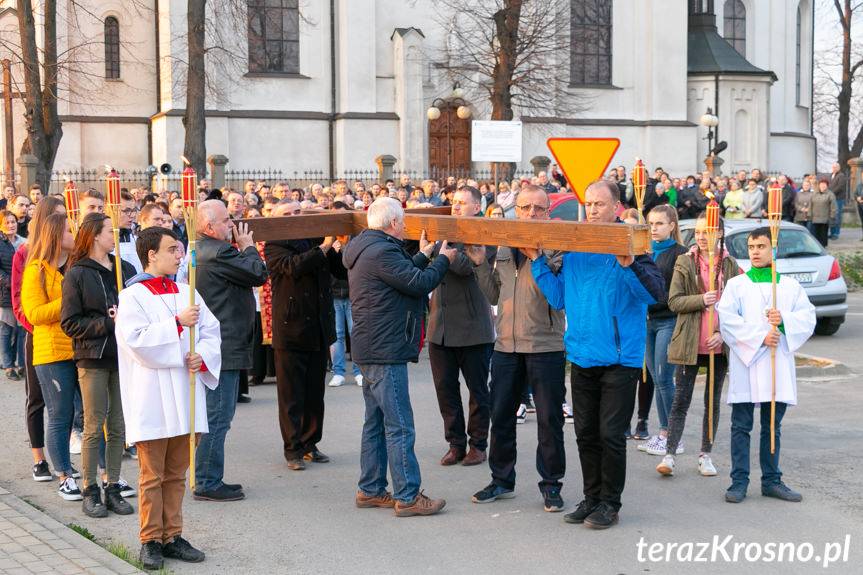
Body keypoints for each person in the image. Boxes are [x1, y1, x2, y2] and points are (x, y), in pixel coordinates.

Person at [532, 179, 664, 529]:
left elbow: (654, 294)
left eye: (599, 204)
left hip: (621, 358)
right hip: (582, 355)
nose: (592, 210)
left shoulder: (632, 243)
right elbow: (560, 297)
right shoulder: (576, 245)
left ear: (616, 207)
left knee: (609, 434)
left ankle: (610, 503)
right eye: (588, 204)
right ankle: (591, 498)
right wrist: (537, 264)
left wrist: (629, 263)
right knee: (586, 433)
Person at [343, 197, 456, 516]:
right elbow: (417, 283)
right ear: (393, 223)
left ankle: (371, 488)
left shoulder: (367, 247)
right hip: (384, 349)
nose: (405, 226)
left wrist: (424, 254)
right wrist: (443, 259)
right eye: (403, 221)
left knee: (376, 422)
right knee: (399, 425)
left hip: (371, 345)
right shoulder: (382, 251)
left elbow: (400, 275)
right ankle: (407, 495)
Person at [116, 227, 220, 570]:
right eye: (172, 249)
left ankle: (172, 535)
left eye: (179, 249)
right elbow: (135, 341)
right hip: (153, 394)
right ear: (151, 255)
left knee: (176, 474)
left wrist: (200, 356)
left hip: (186, 390)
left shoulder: (187, 291)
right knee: (152, 476)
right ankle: (150, 540)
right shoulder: (133, 296)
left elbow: (210, 331)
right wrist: (176, 323)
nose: (180, 255)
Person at [468, 185, 568, 512]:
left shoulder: (558, 246)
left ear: (548, 211)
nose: (530, 214)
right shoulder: (505, 244)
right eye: (524, 208)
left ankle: (551, 485)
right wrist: (482, 264)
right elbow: (494, 295)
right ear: (516, 211)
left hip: (545, 345)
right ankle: (501, 480)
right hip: (506, 346)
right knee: (501, 416)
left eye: (538, 208)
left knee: (549, 420)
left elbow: (558, 297)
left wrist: (537, 255)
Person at [717, 227, 816, 504]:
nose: (756, 252)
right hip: (747, 363)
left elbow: (808, 318)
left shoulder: (788, 286)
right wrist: (761, 336)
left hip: (777, 365)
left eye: (761, 246)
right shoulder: (737, 285)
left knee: (772, 426)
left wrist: (783, 320)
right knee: (741, 425)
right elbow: (726, 320)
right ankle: (739, 481)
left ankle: (771, 480)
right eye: (751, 247)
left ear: (773, 249)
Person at [60, 213, 136, 518]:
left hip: (123, 356)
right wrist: (107, 322)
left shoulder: (122, 268)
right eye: (109, 231)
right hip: (92, 356)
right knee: (93, 426)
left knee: (118, 426)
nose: (114, 236)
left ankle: (113, 485)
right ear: (93, 236)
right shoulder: (77, 273)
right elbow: (70, 322)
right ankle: (90, 489)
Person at [655, 213, 740, 477]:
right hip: (689, 342)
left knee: (711, 402)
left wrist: (724, 333)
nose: (703, 237)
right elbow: (675, 301)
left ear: (720, 233)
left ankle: (706, 455)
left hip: (717, 345)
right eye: (699, 232)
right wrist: (702, 299)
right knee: (681, 399)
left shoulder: (730, 266)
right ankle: (669, 454)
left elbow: (739, 307)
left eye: (709, 231)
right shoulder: (685, 261)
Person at [194, 200, 267, 499]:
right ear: (209, 226)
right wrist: (248, 246)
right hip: (224, 343)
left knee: (217, 415)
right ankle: (208, 482)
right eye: (226, 220)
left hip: (220, 341)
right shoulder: (219, 251)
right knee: (218, 417)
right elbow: (258, 274)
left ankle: (209, 477)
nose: (233, 225)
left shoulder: (203, 248)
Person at [264, 201, 343, 470]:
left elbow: (340, 271)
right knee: (290, 395)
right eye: (287, 214)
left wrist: (338, 248)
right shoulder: (274, 242)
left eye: (297, 212)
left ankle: (311, 443)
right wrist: (323, 248)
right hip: (291, 327)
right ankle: (293, 449)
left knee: (314, 392)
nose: (294, 217)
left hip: (318, 326)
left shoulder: (316, 236)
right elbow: (292, 267)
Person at [428, 186, 495, 467]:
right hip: (440, 327)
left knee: (478, 391)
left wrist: (438, 251)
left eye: (462, 202)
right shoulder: (441, 232)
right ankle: (455, 443)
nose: (455, 206)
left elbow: (467, 267)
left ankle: (478, 444)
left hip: (472, 328)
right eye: (453, 202)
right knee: (445, 389)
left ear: (476, 207)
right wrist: (435, 248)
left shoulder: (484, 233)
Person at [21, 213, 81, 501]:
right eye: (70, 230)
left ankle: (101, 475)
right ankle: (65, 476)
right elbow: (34, 314)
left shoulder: (75, 266)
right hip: (52, 352)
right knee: (60, 414)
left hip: (81, 348)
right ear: (56, 236)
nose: (75, 234)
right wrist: (69, 299)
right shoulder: (36, 270)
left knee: (90, 414)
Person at [12, 196, 65, 482]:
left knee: (65, 401)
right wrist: (36, 327)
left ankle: (64, 456)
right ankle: (38, 457)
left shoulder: (69, 253)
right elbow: (20, 303)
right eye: (56, 217)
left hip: (68, 336)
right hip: (39, 334)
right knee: (36, 398)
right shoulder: (26, 253)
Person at [633, 206, 687, 456]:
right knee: (655, 376)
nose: (654, 228)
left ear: (671, 226)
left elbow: (676, 291)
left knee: (665, 378)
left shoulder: (680, 254)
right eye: (651, 223)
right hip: (647, 320)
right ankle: (664, 432)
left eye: (659, 223)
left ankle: (671, 434)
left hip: (669, 319)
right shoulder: (643, 251)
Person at [0, 210, 24, 380]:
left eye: (13, 222)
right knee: (6, 330)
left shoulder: (23, 242)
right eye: (7, 222)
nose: (11, 225)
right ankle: (8, 365)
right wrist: (11, 282)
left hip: (24, 291)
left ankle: (22, 363)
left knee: (22, 329)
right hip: (6, 292)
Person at [810, 179, 837, 247]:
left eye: (824, 185)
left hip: (825, 218)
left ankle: (823, 247)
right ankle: (816, 247)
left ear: (827, 186)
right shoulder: (814, 193)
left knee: (823, 234)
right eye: (821, 184)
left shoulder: (830, 194)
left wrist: (832, 216)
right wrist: (809, 215)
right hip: (815, 218)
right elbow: (811, 205)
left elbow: (833, 207)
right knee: (815, 234)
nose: (822, 186)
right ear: (819, 185)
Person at [828, 163, 848, 240]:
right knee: (832, 216)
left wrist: (831, 193)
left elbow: (840, 187)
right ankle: (832, 233)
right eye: (833, 167)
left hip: (838, 199)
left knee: (837, 216)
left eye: (835, 167)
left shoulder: (841, 176)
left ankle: (836, 233)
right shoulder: (831, 175)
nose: (834, 168)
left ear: (839, 168)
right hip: (831, 199)